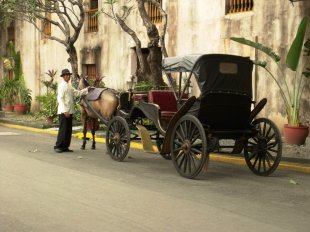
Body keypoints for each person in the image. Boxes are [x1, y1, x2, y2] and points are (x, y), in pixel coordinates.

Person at [54, 69, 89, 153]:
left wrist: (87, 89)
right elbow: (60, 99)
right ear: (63, 76)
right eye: (66, 75)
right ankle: (58, 146)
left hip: (70, 111)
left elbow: (77, 93)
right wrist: (65, 111)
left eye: (69, 75)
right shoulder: (62, 85)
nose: (68, 76)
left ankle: (65, 147)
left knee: (68, 130)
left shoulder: (69, 85)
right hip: (64, 112)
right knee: (63, 129)